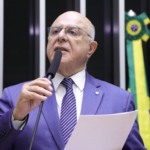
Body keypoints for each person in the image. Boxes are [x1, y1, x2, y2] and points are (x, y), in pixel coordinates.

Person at [0, 11, 146, 150]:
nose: (61, 36)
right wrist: (16, 116)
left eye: (72, 32)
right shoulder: (15, 96)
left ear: (91, 48)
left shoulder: (118, 100)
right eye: (55, 31)